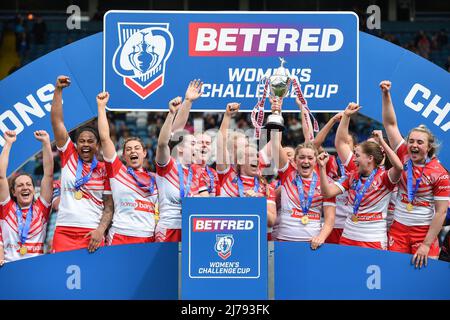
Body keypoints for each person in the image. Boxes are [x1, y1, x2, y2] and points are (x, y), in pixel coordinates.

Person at [380, 80, 450, 268]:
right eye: (411, 141)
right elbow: (390, 124)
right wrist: (386, 94)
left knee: (422, 283)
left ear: (429, 147)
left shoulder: (439, 172)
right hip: (398, 230)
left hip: (423, 233)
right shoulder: (403, 153)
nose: (414, 145)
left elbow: (442, 212)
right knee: (395, 275)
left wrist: (427, 244)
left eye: (420, 142)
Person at [319, 102, 403, 250]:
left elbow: (399, 167)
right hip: (349, 235)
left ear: (371, 157)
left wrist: (383, 141)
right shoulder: (353, 173)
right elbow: (341, 143)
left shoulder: (386, 176)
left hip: (374, 237)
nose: (355, 158)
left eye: (358, 155)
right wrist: (346, 116)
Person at [50, 75, 113, 253]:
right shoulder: (69, 156)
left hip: (91, 233)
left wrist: (100, 231)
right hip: (63, 231)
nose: (85, 144)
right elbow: (57, 123)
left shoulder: (104, 170)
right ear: (76, 144)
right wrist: (58, 90)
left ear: (98, 146)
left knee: (93, 279)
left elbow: (109, 206)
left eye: (90, 141)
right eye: (81, 141)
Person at [269, 98, 335, 248]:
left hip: (312, 244)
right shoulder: (287, 172)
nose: (306, 161)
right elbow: (275, 143)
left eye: (310, 158)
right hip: (284, 241)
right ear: (295, 160)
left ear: (315, 160)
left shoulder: (325, 182)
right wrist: (275, 112)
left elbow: (330, 219)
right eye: (302, 157)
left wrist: (321, 237)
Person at [97, 92, 158, 245]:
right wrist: (101, 107)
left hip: (147, 236)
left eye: (137, 148)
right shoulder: (117, 171)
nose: (133, 151)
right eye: (128, 149)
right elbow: (105, 138)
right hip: (120, 235)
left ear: (144, 153)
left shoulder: (156, 179)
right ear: (123, 156)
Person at [155, 97, 209, 242]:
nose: (197, 147)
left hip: (191, 227)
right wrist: (172, 113)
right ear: (179, 148)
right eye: (192, 143)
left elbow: (206, 202)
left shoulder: (197, 171)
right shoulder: (168, 165)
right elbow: (162, 144)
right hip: (169, 228)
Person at [216, 103, 277, 227]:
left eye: (246, 147)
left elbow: (275, 142)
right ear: (231, 150)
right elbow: (220, 144)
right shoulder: (227, 171)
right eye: (239, 147)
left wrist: (276, 112)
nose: (245, 150)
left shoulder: (256, 165)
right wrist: (227, 116)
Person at [0, 130, 53, 262]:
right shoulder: (6, 208)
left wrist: (46, 143)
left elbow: (48, 175)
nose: (25, 187)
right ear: (13, 192)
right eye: (20, 185)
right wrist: (8, 143)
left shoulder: (41, 208)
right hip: (9, 267)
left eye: (29, 184)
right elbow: (1, 176)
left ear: (34, 190)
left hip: (35, 267)